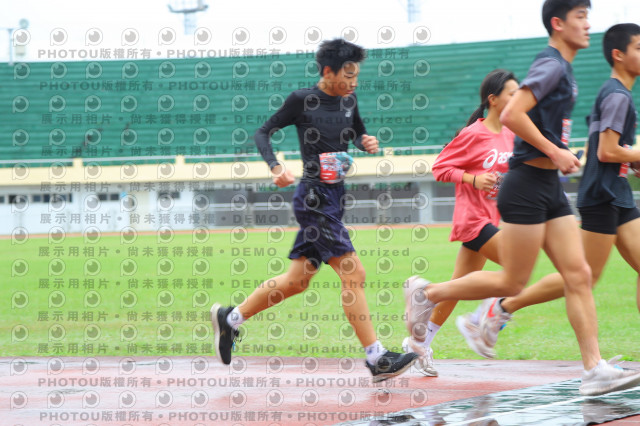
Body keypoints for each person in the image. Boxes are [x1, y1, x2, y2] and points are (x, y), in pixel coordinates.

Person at [403, 0, 640, 396]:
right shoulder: (551, 64)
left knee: (579, 275)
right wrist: (555, 151)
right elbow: (513, 114)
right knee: (514, 280)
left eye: (588, 17)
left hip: (549, 187)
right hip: (527, 185)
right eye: (580, 17)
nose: (587, 25)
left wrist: (558, 154)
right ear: (558, 23)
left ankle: (594, 369)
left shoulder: (565, 69)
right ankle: (428, 294)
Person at [211, 38, 417, 382]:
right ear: (327, 72)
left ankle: (230, 319)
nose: (354, 82)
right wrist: (276, 166)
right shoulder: (301, 100)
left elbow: (357, 132)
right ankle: (376, 357)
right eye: (348, 75)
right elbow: (263, 132)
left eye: (356, 75)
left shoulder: (349, 100)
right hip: (313, 198)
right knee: (354, 273)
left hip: (336, 197)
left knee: (297, 280)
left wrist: (365, 141)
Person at [462, 22, 640, 360]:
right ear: (619, 55)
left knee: (581, 276)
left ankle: (500, 307)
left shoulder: (617, 92)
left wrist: (630, 159)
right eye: (639, 48)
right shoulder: (614, 93)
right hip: (602, 195)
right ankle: (500, 306)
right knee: (581, 277)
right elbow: (606, 151)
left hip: (617, 191)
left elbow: (611, 149)